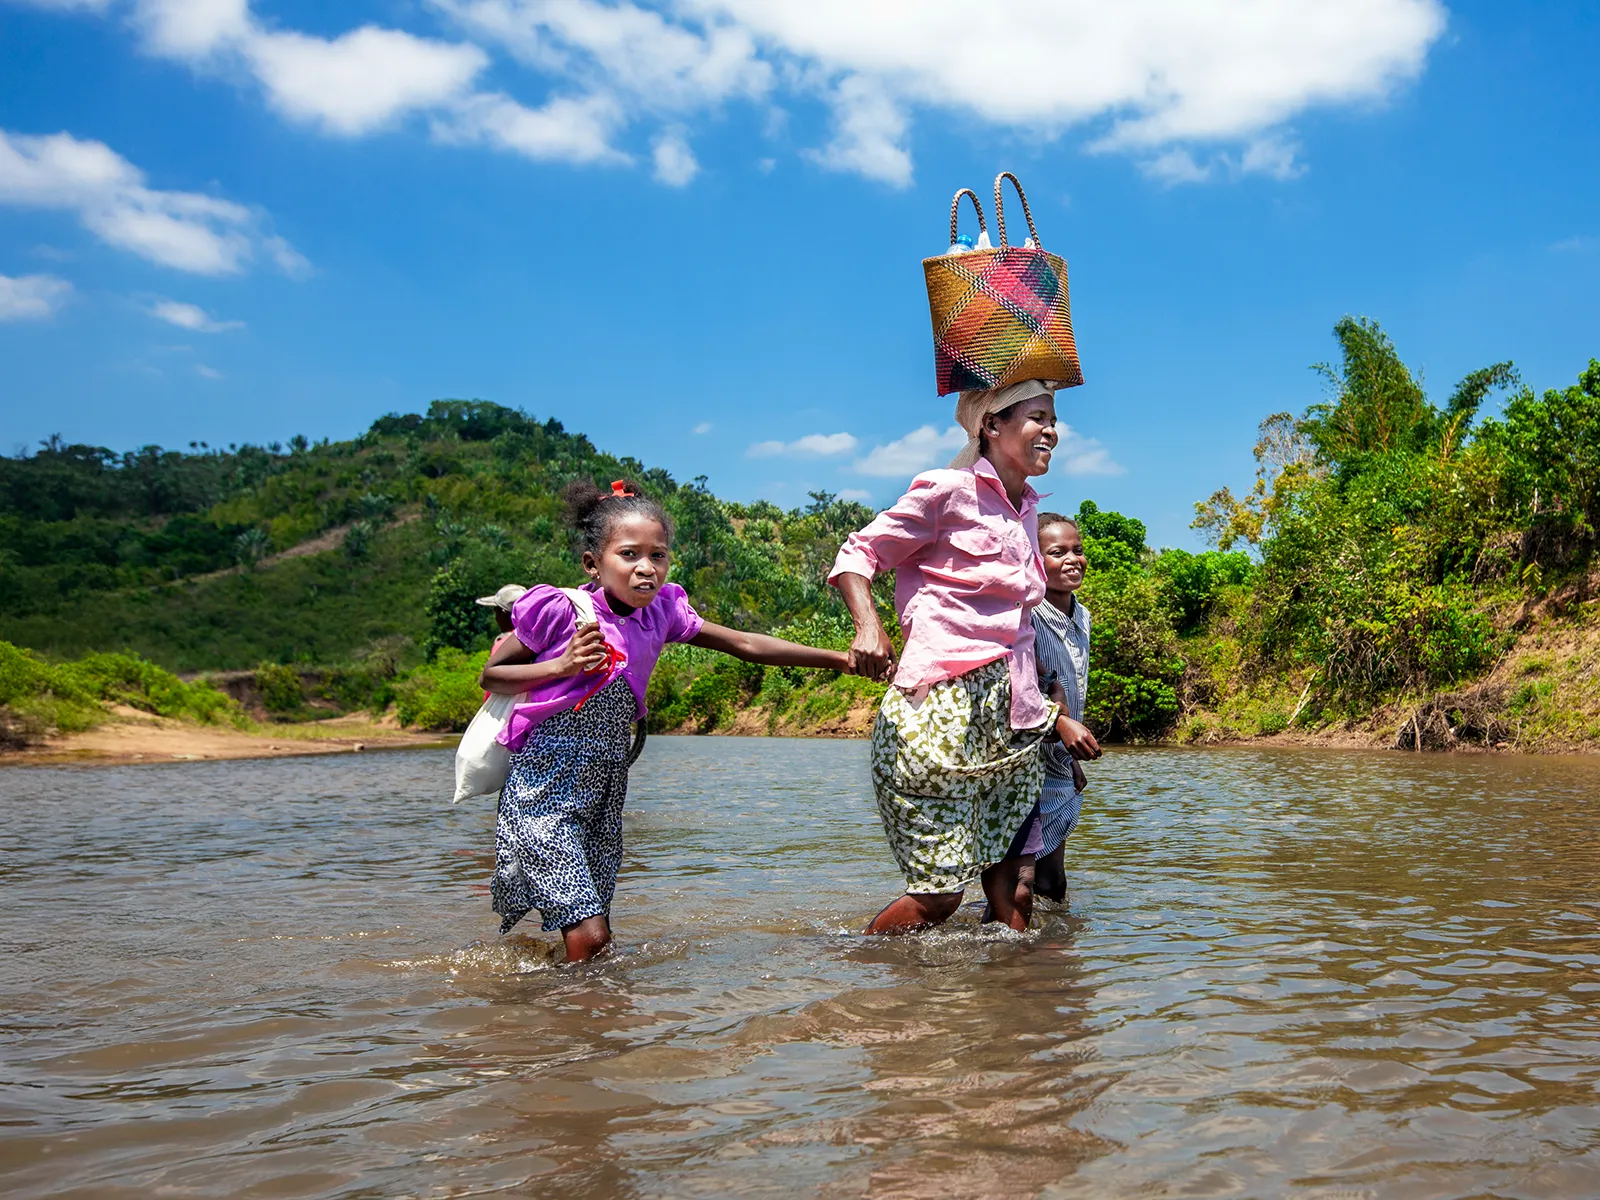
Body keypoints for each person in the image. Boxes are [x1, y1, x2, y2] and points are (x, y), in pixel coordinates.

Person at [478, 479, 852, 963]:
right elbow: (492, 674)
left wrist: (839, 659)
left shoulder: (663, 613)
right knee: (592, 937)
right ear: (593, 563)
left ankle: (575, 1018)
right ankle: (578, 1025)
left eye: (658, 556)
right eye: (629, 554)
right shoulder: (560, 612)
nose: (646, 568)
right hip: (544, 792)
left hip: (604, 790)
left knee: (595, 937)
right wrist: (563, 666)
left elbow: (745, 643)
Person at [829, 379, 1097, 934]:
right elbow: (859, 553)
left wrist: (1051, 719)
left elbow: (1019, 636)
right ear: (991, 427)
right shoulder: (945, 491)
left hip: (1011, 726)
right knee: (938, 900)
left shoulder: (1026, 509)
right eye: (1036, 416)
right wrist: (868, 626)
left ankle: (1010, 1007)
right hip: (939, 722)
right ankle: (856, 973)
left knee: (1017, 895)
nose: (1050, 429)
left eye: (1053, 418)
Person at [1029, 514, 1100, 903]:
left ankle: (1049, 955)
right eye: (1057, 552)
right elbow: (1020, 689)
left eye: (1078, 550)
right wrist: (1060, 727)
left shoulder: (1083, 615)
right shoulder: (1025, 615)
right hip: (1025, 763)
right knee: (1021, 882)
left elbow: (1074, 689)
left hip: (1060, 759)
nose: (1073, 559)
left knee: (1052, 883)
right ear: (1034, 560)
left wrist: (1072, 760)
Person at [475, 583, 528, 651]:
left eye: (496, 612)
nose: (496, 618)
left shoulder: (503, 644)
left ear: (503, 614)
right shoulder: (536, 640)